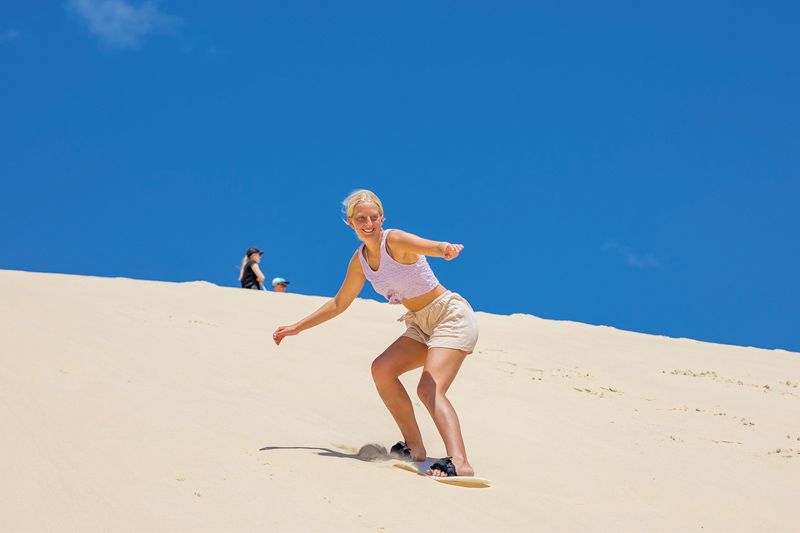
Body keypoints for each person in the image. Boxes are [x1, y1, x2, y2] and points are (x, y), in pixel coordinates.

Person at [272, 190, 479, 478]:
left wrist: (444, 248)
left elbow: (425, 245)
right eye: (361, 218)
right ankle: (415, 448)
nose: (368, 222)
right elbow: (338, 303)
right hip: (420, 323)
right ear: (350, 222)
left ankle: (459, 461)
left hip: (449, 316)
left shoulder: (392, 240)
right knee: (382, 369)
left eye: (373, 217)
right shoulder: (360, 262)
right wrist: (297, 327)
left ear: (381, 218)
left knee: (428, 389)